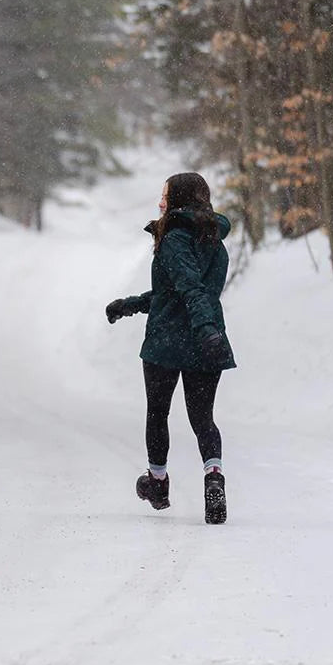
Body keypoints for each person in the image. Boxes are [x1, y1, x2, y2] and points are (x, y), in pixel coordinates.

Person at [105, 172, 236, 525]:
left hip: (170, 340)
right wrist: (130, 304)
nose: (160, 201)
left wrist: (205, 329)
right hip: (204, 341)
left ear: (178, 199)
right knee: (203, 418)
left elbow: (189, 288)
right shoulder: (215, 243)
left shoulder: (175, 238)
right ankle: (214, 476)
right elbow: (178, 293)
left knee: (157, 412)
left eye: (165, 195)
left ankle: (158, 483)